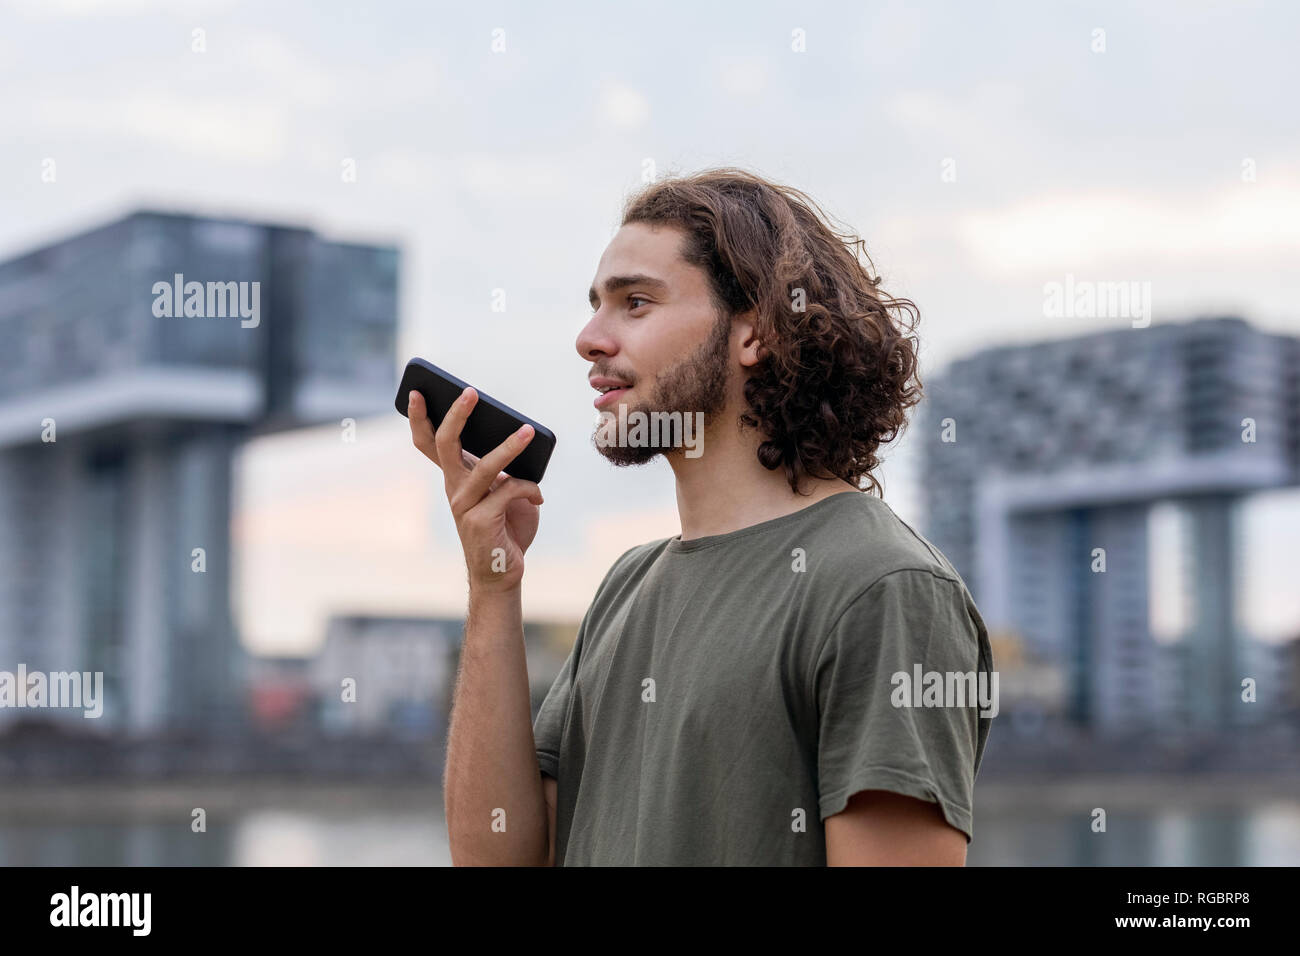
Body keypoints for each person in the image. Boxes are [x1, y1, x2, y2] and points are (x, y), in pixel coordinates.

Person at [407, 167, 994, 866]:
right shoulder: (629, 585)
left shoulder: (884, 588)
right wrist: (493, 587)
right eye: (596, 304)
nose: (589, 338)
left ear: (757, 332)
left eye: (635, 304)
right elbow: (499, 860)